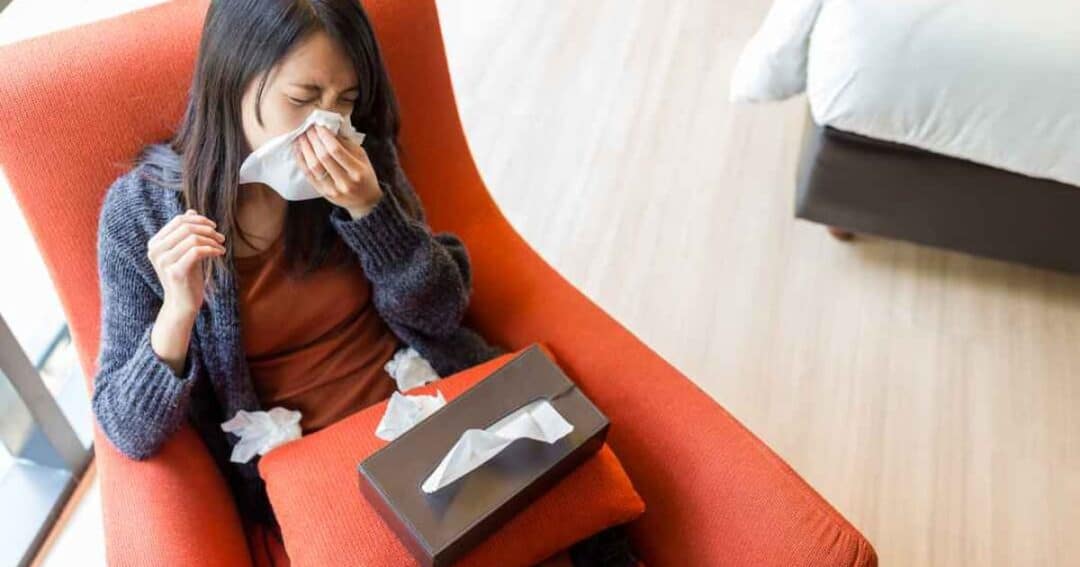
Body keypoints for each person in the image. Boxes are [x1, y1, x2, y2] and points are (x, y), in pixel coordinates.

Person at [92, 1, 636, 565]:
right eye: (302, 100)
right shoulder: (143, 213)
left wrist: (371, 212)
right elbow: (128, 430)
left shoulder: (361, 156)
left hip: (430, 399)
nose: (325, 126)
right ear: (231, 80)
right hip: (315, 462)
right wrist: (177, 313)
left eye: (344, 102)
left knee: (573, 520)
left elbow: (443, 313)